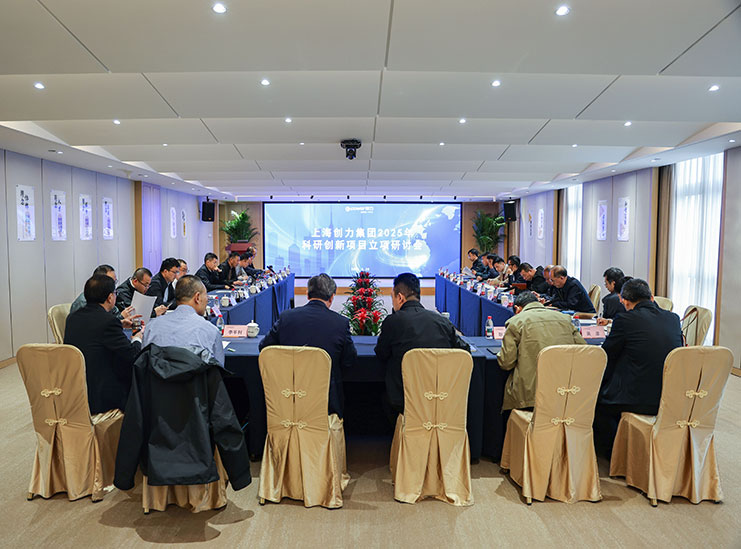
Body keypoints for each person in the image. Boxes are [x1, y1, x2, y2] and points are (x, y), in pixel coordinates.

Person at [593, 278, 684, 456]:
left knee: (596, 398)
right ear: (651, 297)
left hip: (638, 398)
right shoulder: (673, 318)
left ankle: (616, 454)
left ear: (625, 302)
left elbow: (607, 355)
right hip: (669, 393)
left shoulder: (625, 319)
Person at [259, 273, 357, 418]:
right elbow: (349, 360)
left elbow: (264, 348)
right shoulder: (340, 323)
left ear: (307, 294)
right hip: (326, 403)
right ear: (331, 297)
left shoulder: (287, 317)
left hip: (288, 398)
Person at [375, 272, 470, 414]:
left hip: (404, 401)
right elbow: (464, 350)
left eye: (392, 298)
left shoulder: (393, 322)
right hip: (440, 399)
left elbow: (381, 353)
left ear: (400, 297)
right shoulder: (442, 321)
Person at [64, 274, 143, 415]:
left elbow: (92, 332)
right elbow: (132, 355)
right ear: (110, 297)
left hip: (76, 389)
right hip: (101, 394)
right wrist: (137, 337)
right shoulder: (108, 321)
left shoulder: (72, 318)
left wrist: (120, 324)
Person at [498, 291, 587, 411]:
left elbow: (506, 363)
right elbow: (583, 351)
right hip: (565, 390)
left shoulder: (515, 322)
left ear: (517, 308)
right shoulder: (565, 319)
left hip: (529, 396)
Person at [142, 275, 226, 366]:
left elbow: (143, 364)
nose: (207, 300)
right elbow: (218, 369)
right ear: (197, 297)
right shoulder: (211, 331)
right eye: (206, 296)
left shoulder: (151, 327)